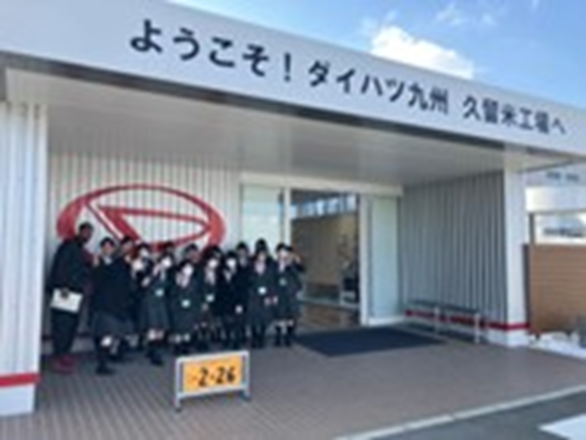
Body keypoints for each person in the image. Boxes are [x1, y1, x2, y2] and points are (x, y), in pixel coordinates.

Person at [47, 222, 95, 374]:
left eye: (90, 234)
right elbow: (59, 268)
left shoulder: (82, 251)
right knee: (61, 325)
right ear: (79, 231)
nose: (88, 236)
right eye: (86, 232)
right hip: (65, 292)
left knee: (72, 325)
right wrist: (62, 287)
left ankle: (65, 353)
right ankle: (57, 358)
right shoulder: (68, 247)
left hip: (76, 294)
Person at [90, 238, 134, 375]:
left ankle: (106, 360)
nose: (107, 249)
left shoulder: (119, 262)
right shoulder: (97, 262)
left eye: (110, 247)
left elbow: (126, 282)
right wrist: (96, 267)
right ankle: (102, 364)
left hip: (116, 304)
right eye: (105, 247)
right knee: (105, 335)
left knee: (110, 335)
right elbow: (95, 281)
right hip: (102, 303)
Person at [135, 244, 172, 366]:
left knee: (161, 328)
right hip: (150, 299)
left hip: (160, 300)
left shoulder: (166, 271)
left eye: (169, 261)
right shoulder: (149, 267)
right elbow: (143, 284)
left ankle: (154, 349)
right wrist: (153, 272)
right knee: (152, 327)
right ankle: (154, 353)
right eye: (165, 260)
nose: (167, 263)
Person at [273, 244, 304, 347]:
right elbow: (271, 278)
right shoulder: (274, 264)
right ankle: (278, 337)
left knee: (291, 317)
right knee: (279, 317)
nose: (282, 254)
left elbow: (301, 271)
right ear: (277, 253)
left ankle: (288, 337)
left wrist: (292, 264)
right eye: (280, 252)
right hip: (279, 293)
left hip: (290, 293)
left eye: (284, 252)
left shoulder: (292, 264)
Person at [247, 248, 277, 349]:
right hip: (253, 296)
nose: (262, 257)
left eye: (264, 255)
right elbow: (248, 282)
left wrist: (271, 295)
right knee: (253, 317)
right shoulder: (251, 267)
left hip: (265, 296)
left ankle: (262, 337)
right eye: (260, 255)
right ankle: (254, 337)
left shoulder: (269, 268)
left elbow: (272, 283)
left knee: (264, 317)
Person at [168, 260, 198, 356]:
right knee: (178, 329)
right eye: (187, 268)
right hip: (177, 307)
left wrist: (192, 304)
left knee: (187, 328)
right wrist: (179, 285)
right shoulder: (176, 279)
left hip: (189, 308)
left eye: (191, 268)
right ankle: (177, 347)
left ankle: (185, 346)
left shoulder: (194, 281)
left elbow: (195, 295)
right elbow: (172, 293)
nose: (189, 270)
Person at [219, 251, 246, 350]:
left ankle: (237, 340)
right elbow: (220, 288)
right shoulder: (222, 272)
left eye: (233, 260)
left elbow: (243, 289)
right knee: (226, 322)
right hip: (226, 301)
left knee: (237, 322)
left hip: (237, 300)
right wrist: (227, 278)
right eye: (229, 260)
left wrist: (241, 303)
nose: (231, 262)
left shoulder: (241, 272)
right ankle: (227, 338)